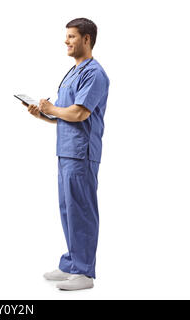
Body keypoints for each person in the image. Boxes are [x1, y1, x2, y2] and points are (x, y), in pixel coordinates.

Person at [22, 18, 110, 290]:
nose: (66, 41)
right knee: (68, 209)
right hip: (66, 151)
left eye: (72, 36)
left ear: (86, 39)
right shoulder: (73, 72)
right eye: (67, 36)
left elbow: (79, 112)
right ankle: (72, 263)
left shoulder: (94, 73)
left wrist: (52, 108)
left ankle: (84, 272)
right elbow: (64, 116)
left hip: (82, 153)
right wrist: (43, 113)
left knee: (81, 209)